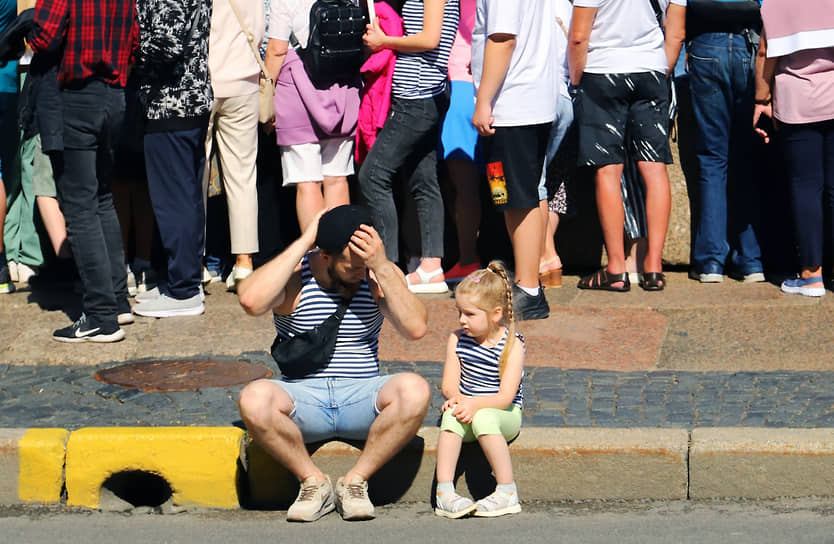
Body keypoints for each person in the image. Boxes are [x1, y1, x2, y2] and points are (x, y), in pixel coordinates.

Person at [237, 204, 431, 522]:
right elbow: (250, 301)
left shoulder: (377, 272)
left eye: (364, 263)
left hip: (361, 395)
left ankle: (355, 482)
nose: (359, 272)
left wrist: (381, 265)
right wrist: (304, 242)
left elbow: (416, 328)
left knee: (416, 390)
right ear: (325, 256)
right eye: (352, 266)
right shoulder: (296, 278)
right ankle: (313, 482)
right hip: (303, 398)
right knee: (253, 398)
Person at [29, 0, 137, 342]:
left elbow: (44, 37)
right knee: (101, 198)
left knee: (80, 207)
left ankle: (102, 315)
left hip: (74, 96)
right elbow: (134, 42)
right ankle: (117, 300)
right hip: (113, 97)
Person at [570, 0, 685, 292]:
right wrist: (661, 70)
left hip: (602, 72)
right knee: (655, 168)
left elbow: (579, 36)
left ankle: (616, 268)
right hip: (652, 71)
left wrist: (576, 79)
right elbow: (676, 34)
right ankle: (654, 268)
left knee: (608, 172)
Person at [359, 0, 459, 294]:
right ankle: (431, 266)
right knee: (423, 179)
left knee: (373, 175)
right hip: (420, 96)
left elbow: (430, 39)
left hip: (417, 98)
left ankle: (387, 269)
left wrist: (384, 41)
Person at [471, 0, 556, 319]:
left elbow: (502, 38)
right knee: (519, 195)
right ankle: (529, 284)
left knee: (513, 197)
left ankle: (528, 287)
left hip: (511, 106)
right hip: (526, 100)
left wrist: (482, 100)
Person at [132, 0, 213, 318]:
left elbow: (166, 45)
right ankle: (183, 283)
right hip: (188, 100)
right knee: (187, 199)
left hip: (171, 103)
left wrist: (129, 52)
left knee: (175, 201)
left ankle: (183, 290)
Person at [753, 0, 834, 297]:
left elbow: (765, 53)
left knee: (805, 188)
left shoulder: (777, 3)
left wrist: (761, 100)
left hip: (799, 102)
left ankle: (812, 276)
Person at [434, 261, 524, 519]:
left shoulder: (512, 345)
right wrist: (457, 400)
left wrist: (474, 405)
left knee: (484, 417)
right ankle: (445, 493)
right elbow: (449, 385)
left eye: (470, 314)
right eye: (459, 312)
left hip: (502, 413)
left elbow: (506, 397)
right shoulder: (458, 339)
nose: (462, 320)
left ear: (496, 314)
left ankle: (507, 491)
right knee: (450, 416)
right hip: (468, 409)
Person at [687, 0, 765, 284]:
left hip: (705, 45)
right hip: (748, 45)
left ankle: (711, 262)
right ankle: (751, 260)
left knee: (712, 159)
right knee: (746, 158)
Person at [266, 0, 358, 233]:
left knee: (307, 182)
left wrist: (266, 95)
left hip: (297, 89)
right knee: (337, 178)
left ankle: (317, 260)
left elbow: (277, 49)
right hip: (342, 86)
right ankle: (340, 257)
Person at [205, 0, 264, 292]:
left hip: (205, 80)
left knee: (195, 176)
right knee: (242, 175)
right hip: (245, 80)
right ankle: (244, 262)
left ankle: (196, 261)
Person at [439, 0, 481, 284]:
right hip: (479, 87)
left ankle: (468, 260)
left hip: (462, 87)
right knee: (494, 180)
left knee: (464, 185)